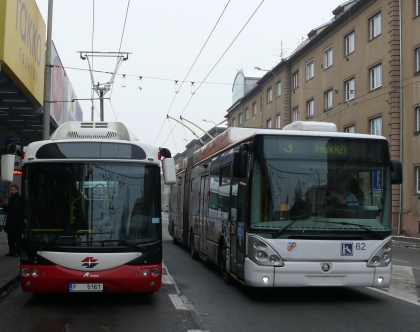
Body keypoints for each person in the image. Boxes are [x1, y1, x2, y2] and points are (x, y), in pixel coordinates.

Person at [2, 184, 23, 257]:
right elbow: (9, 210)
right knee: (11, 237)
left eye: (13, 190)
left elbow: (20, 211)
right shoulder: (11, 198)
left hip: (16, 221)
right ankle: (12, 250)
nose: (12, 191)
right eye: (11, 190)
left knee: (17, 237)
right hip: (11, 220)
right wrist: (5, 207)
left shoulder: (19, 198)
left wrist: (19, 220)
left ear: (16, 190)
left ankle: (17, 251)